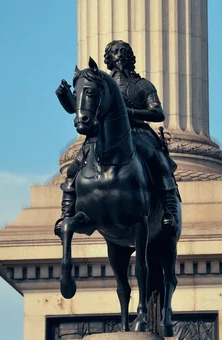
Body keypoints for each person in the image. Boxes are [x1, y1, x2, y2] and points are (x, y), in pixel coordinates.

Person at [54, 40, 180, 232]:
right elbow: (79, 108)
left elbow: (157, 113)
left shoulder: (143, 85)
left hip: (138, 133)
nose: (119, 54)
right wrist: (64, 96)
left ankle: (170, 212)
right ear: (109, 58)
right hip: (102, 136)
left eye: (123, 51)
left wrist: (130, 113)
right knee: (74, 168)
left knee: (158, 160)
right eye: (114, 52)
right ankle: (66, 215)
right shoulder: (100, 84)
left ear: (130, 57)